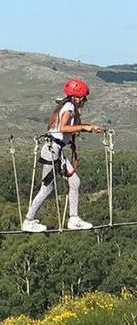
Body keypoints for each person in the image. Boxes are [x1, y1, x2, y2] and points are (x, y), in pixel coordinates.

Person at [22, 78, 102, 233]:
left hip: (56, 150)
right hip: (52, 151)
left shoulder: (66, 105)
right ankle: (29, 220)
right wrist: (86, 128)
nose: (84, 100)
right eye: (83, 97)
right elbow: (64, 128)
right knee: (47, 188)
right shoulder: (69, 107)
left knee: (75, 182)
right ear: (77, 97)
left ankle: (74, 218)